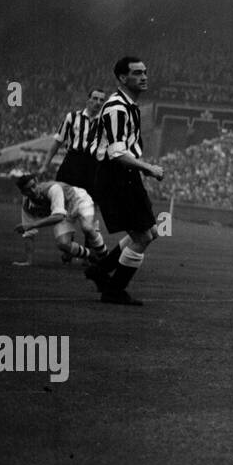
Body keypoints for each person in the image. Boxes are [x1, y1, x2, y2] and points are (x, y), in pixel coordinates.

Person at [85, 57, 165, 305]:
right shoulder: (117, 108)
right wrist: (148, 168)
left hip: (125, 176)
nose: (144, 76)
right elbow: (117, 153)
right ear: (122, 78)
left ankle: (100, 270)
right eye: (137, 73)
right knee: (143, 237)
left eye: (145, 71)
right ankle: (114, 290)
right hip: (114, 176)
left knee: (150, 231)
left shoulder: (130, 106)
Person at [12, 173, 108, 265]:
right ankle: (91, 255)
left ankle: (105, 256)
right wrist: (28, 261)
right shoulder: (27, 205)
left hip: (79, 200)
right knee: (63, 243)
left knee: (87, 228)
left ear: (37, 181)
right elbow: (28, 233)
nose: (33, 191)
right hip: (65, 211)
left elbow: (59, 216)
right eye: (28, 190)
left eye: (33, 186)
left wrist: (32, 225)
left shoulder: (52, 188)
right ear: (23, 193)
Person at [44, 88, 107, 191]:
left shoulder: (105, 122)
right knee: (63, 195)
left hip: (93, 164)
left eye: (101, 100)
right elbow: (58, 141)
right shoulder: (72, 117)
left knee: (88, 201)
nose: (98, 102)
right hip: (72, 162)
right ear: (88, 100)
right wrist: (45, 165)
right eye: (95, 98)